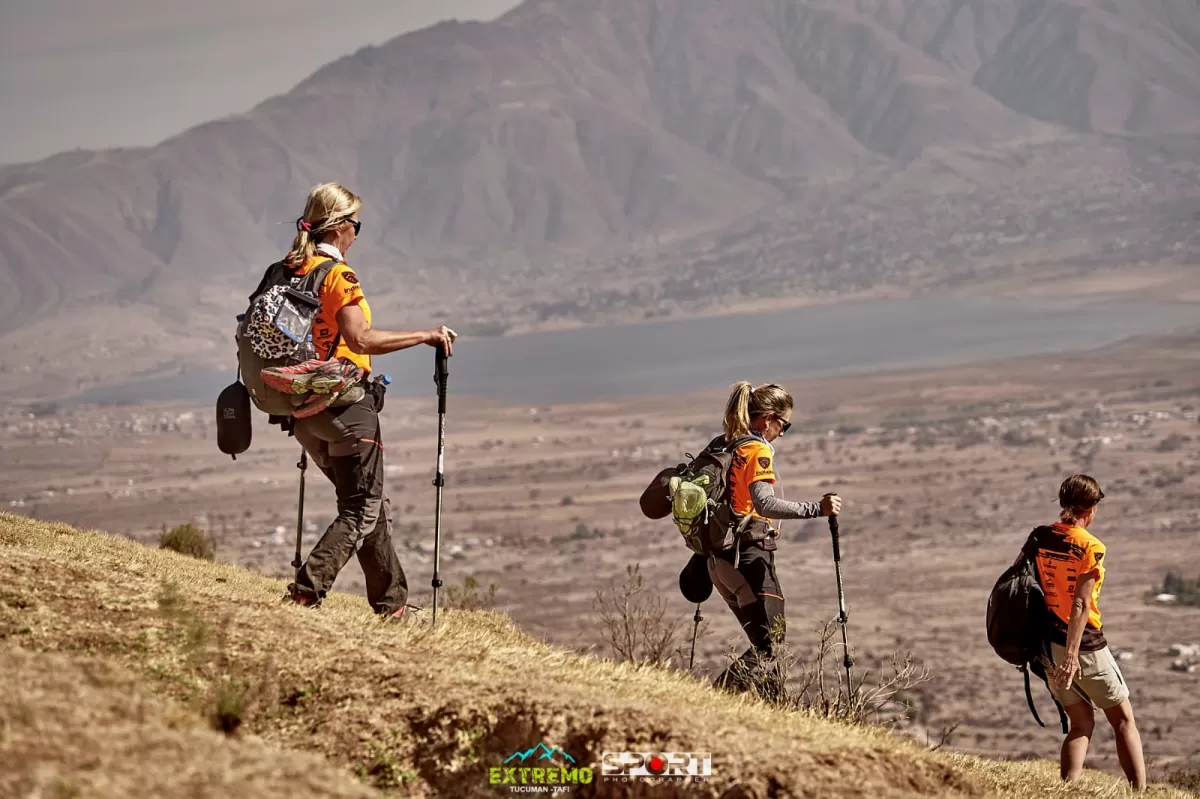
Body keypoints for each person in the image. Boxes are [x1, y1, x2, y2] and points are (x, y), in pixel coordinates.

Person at [279, 182, 457, 622]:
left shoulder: (288, 270)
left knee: (367, 504)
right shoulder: (338, 276)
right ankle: (306, 591)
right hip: (345, 408)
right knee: (362, 506)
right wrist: (425, 335)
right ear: (339, 228)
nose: (358, 233)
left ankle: (392, 608)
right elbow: (360, 338)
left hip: (302, 413)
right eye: (355, 225)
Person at [710, 381, 841, 687]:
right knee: (771, 645)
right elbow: (764, 503)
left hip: (720, 561)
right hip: (748, 556)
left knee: (765, 645)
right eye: (784, 425)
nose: (782, 433)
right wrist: (817, 509)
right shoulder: (756, 450)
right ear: (767, 418)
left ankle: (771, 708)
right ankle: (716, 697)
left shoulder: (727, 443)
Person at [1034, 474, 1145, 790]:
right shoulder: (1090, 546)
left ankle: (1066, 790)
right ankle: (1140, 793)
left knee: (1080, 722)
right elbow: (1080, 605)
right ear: (1092, 507)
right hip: (1083, 647)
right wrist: (1072, 656)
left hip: (1047, 644)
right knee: (1123, 720)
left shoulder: (1041, 537)